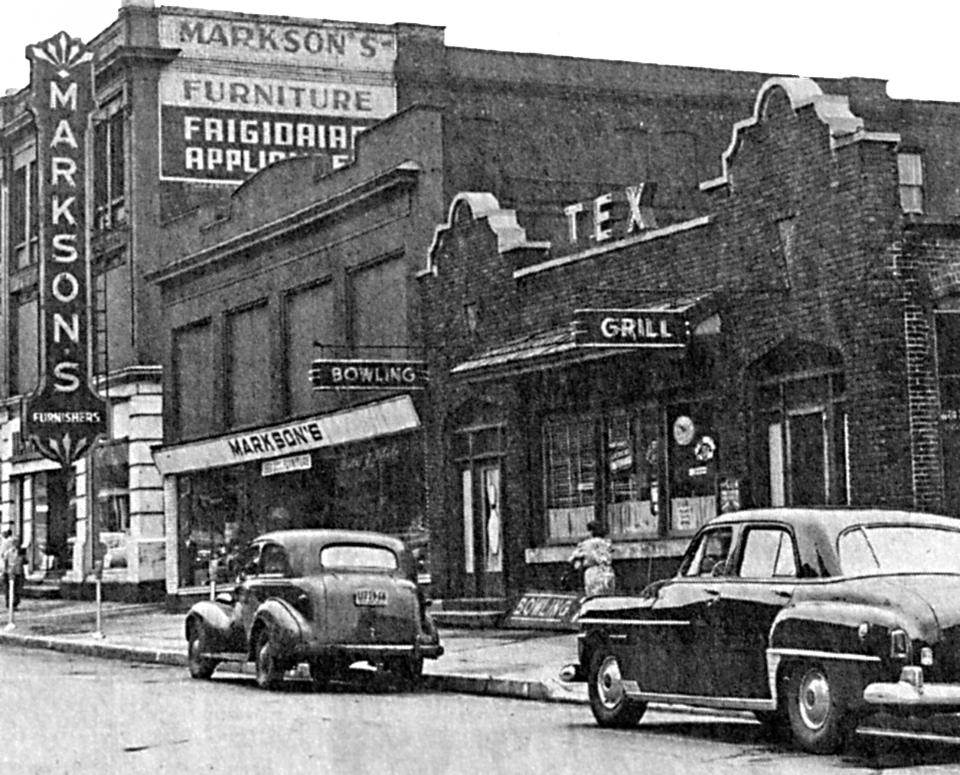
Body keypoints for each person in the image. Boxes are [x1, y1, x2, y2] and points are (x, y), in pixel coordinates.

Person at [569, 520, 616, 596]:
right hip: (608, 572)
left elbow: (572, 559)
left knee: (594, 597)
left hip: (593, 573)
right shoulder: (607, 543)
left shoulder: (586, 544)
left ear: (591, 531)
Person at [1, 529, 17, 608]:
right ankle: (13, 603)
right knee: (14, 588)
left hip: (7, 569)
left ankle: (9, 603)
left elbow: (2, 555)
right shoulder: (15, 543)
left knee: (8, 587)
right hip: (15, 570)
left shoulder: (5, 542)